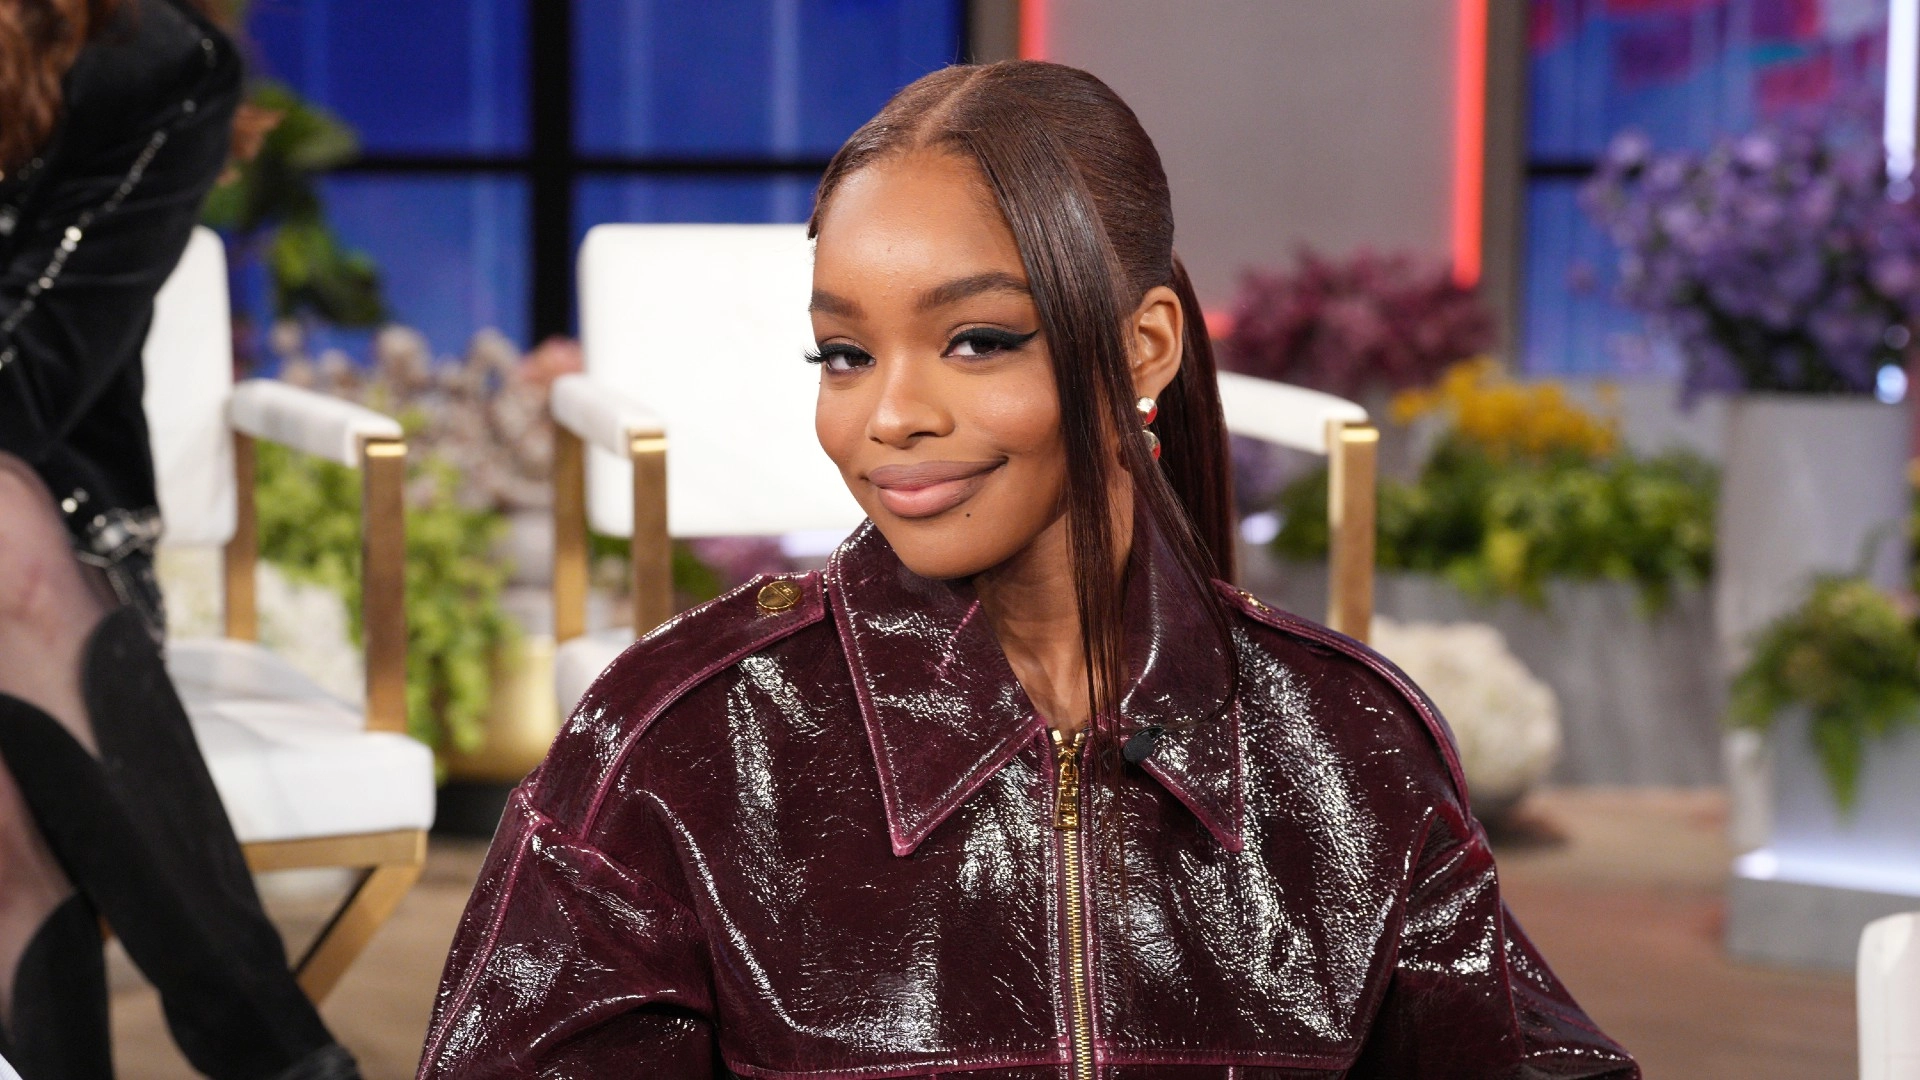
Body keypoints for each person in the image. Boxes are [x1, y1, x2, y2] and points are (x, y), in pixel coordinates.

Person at [418, 60, 1638, 1078]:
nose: (889, 415)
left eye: (976, 340)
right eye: (843, 354)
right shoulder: (677, 748)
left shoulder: (1353, 746)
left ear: (1145, 346)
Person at [0, 2, 359, 1077]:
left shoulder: (147, 67)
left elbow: (30, 375)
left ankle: (272, 1054)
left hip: (54, 561)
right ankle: (283, 1056)